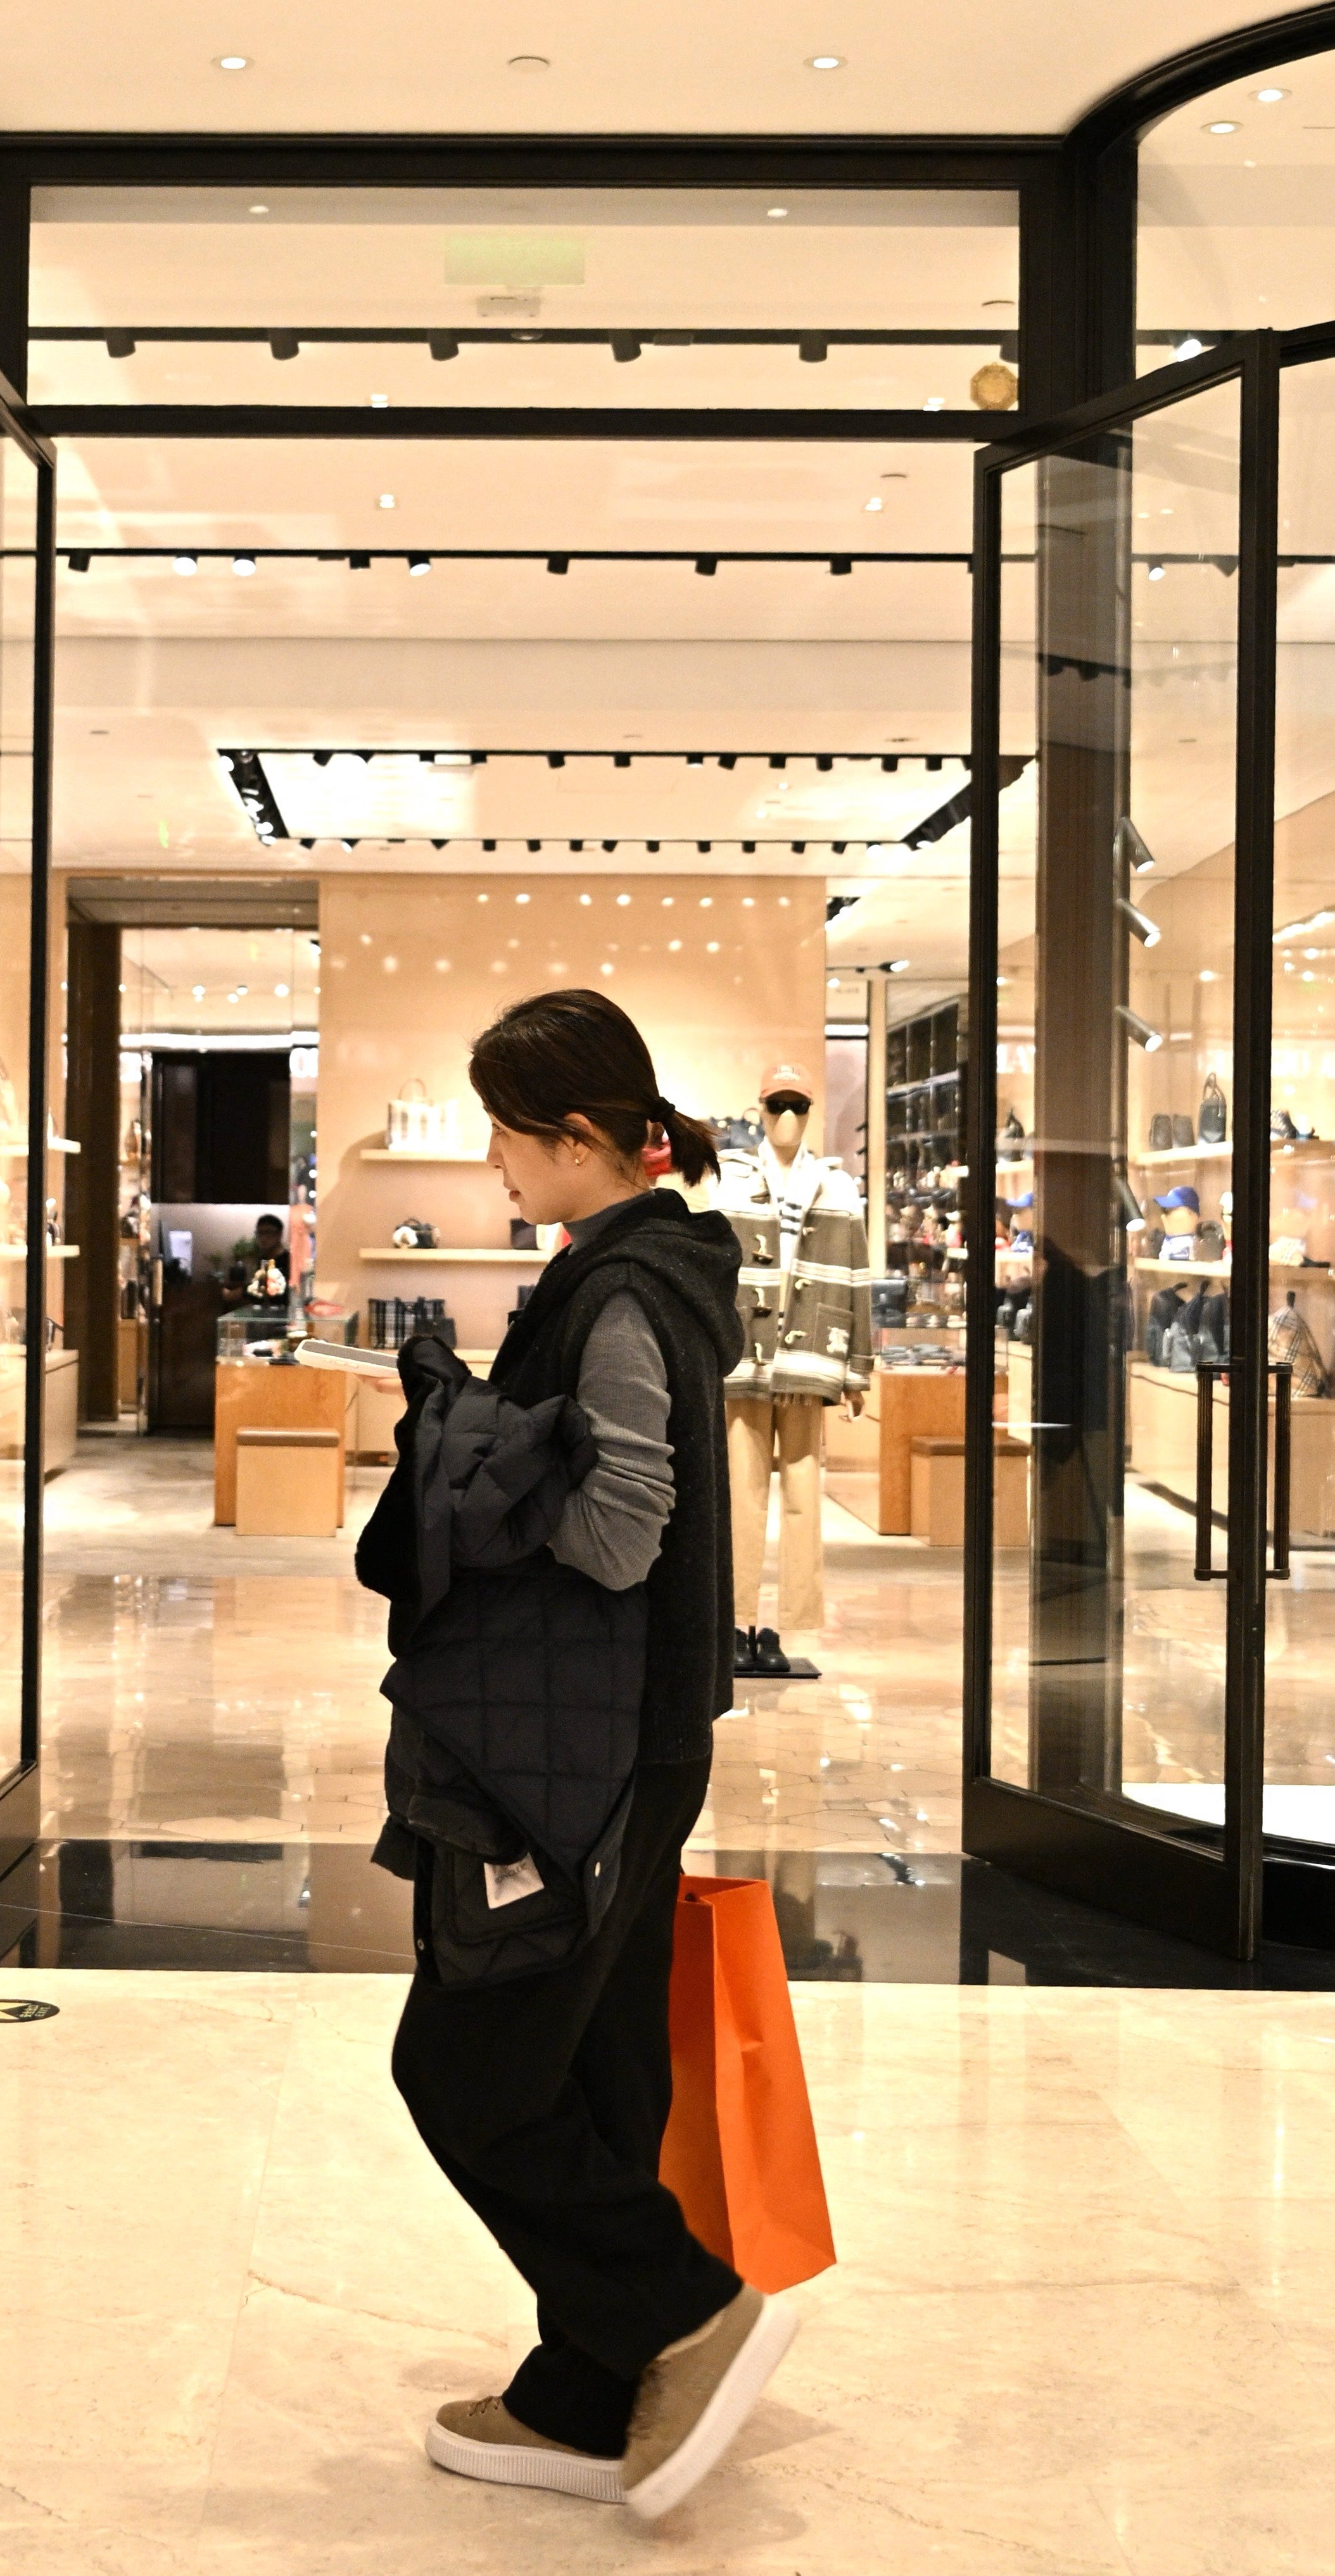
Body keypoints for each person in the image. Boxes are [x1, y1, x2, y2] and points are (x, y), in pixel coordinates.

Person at [387, 986, 804, 2522]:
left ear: (574, 1139)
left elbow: (621, 1530)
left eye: (507, 1133)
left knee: (465, 2065)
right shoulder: (639, 1272)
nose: (495, 1162)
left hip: (579, 1753)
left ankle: (681, 2308)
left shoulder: (622, 1295)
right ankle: (585, 2388)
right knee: (596, 2055)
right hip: (624, 1737)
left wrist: (475, 1472)